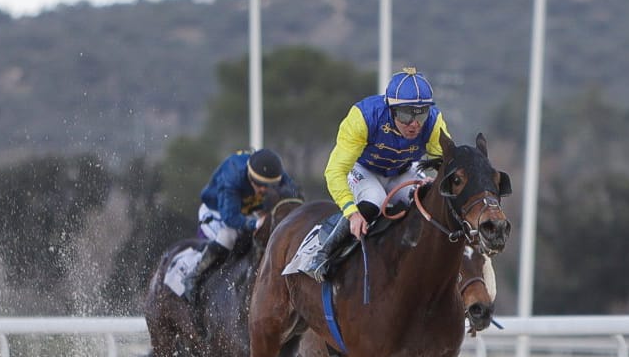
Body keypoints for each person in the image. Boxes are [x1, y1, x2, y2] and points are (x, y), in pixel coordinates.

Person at [307, 67, 452, 283]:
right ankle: (322, 254)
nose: (414, 124)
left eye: (420, 114)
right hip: (365, 170)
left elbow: (447, 163)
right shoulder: (364, 116)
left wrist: (439, 181)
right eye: (405, 114)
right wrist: (351, 211)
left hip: (402, 171)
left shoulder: (433, 122)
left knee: (427, 198)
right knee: (374, 199)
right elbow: (335, 171)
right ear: (391, 109)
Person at [179, 148, 292, 303]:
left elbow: (292, 194)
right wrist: (256, 223)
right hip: (218, 211)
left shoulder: (276, 174)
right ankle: (193, 276)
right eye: (260, 185)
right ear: (250, 177)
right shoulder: (232, 175)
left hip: (248, 211)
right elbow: (230, 218)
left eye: (269, 186)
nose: (264, 190)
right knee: (229, 237)